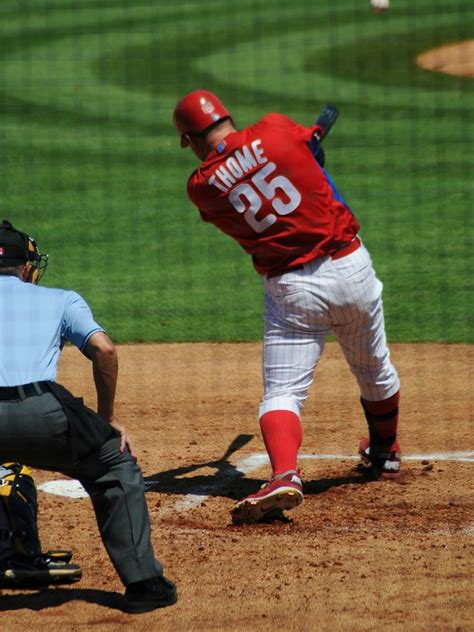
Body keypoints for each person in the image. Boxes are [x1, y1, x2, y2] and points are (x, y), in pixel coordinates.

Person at [173, 90, 401, 525]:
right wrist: (313, 155)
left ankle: (284, 475)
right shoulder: (275, 128)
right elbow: (310, 151)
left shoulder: (201, 189)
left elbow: (251, 193)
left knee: (283, 393)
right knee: (374, 369)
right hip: (350, 267)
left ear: (187, 141)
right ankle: (385, 452)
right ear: (227, 115)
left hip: (292, 290)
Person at [0, 220, 177, 612]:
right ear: (27, 268)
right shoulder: (60, 299)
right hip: (42, 412)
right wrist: (107, 419)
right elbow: (105, 351)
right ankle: (145, 584)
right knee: (114, 464)